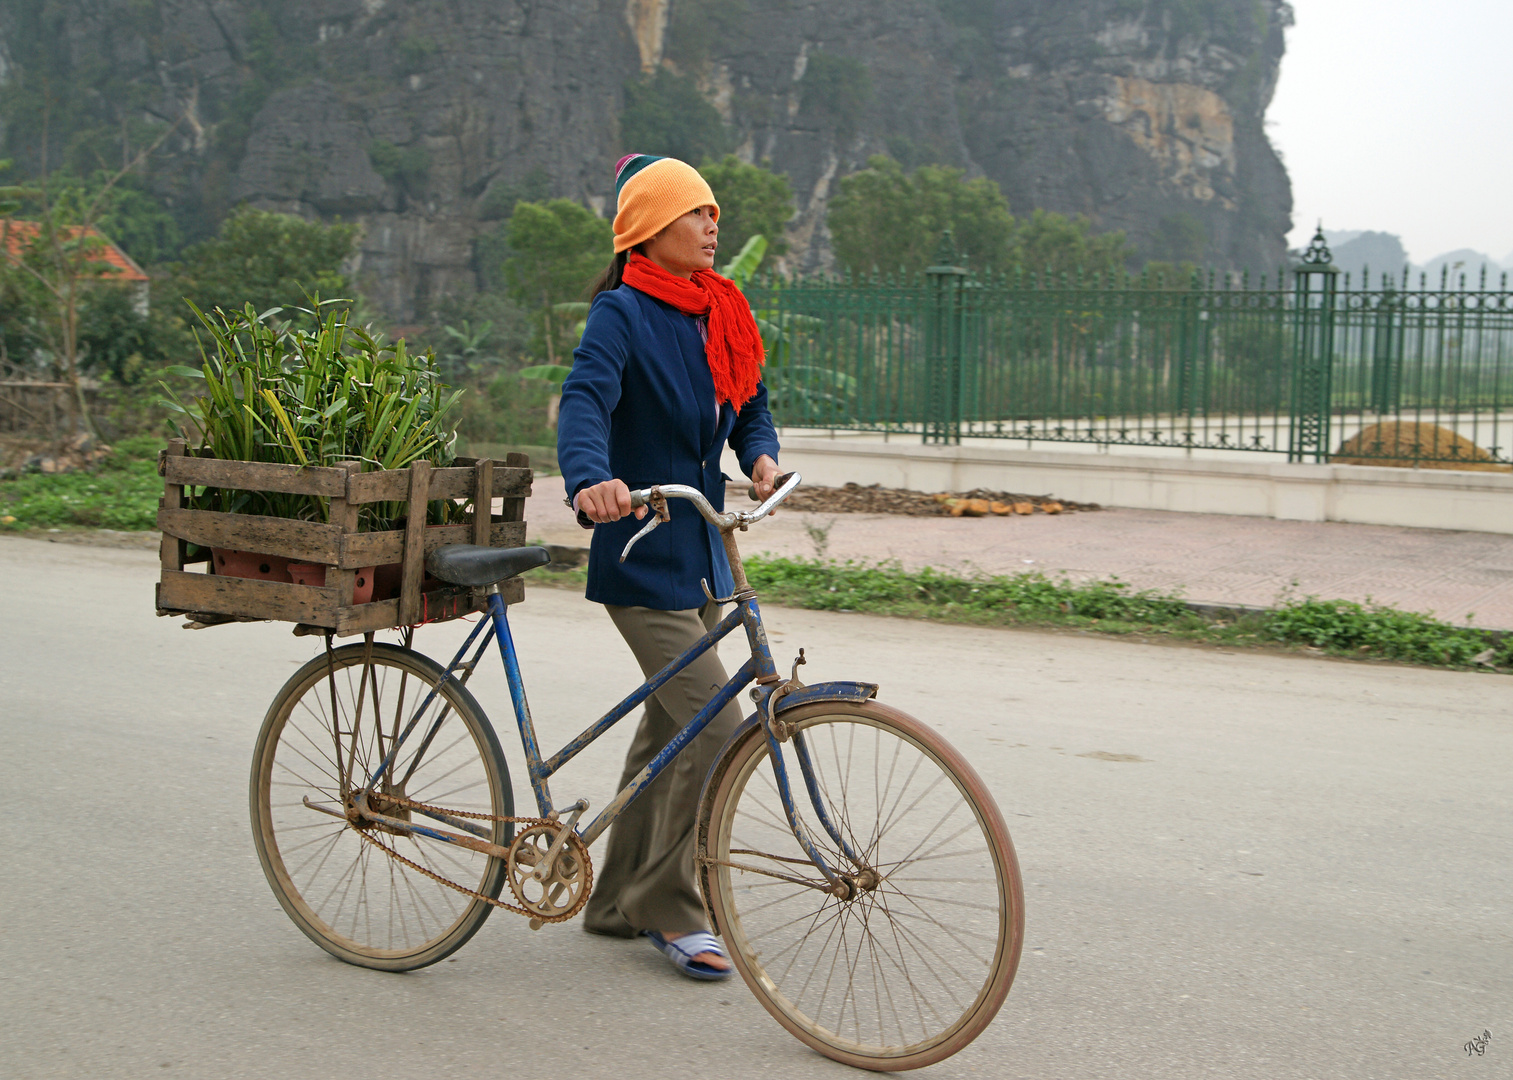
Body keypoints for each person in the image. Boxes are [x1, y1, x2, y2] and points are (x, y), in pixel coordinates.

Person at [556, 153, 781, 980]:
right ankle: (669, 904)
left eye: (714, 212)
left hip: (700, 551)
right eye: (697, 213)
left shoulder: (716, 309)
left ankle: (615, 902)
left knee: (670, 726)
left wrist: (759, 457)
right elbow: (584, 398)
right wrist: (590, 480)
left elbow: (749, 403)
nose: (713, 225)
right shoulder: (622, 314)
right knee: (716, 726)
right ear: (651, 230)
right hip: (641, 554)